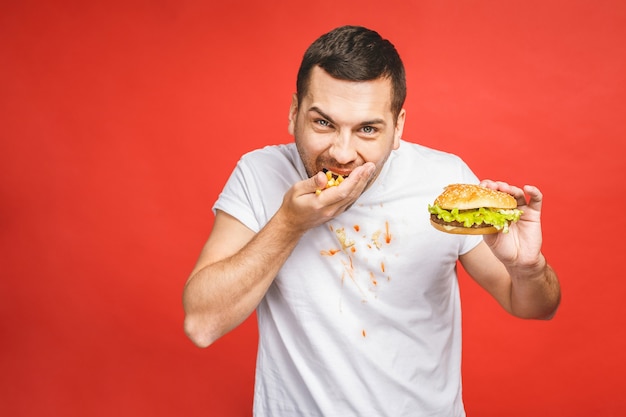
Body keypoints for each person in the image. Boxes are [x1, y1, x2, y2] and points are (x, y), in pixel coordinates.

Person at [182, 25, 561, 416]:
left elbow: (536, 307)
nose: (343, 153)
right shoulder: (260, 174)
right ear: (294, 112)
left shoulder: (444, 180)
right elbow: (201, 323)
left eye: (366, 129)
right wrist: (289, 224)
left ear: (397, 128)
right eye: (323, 123)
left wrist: (528, 267)